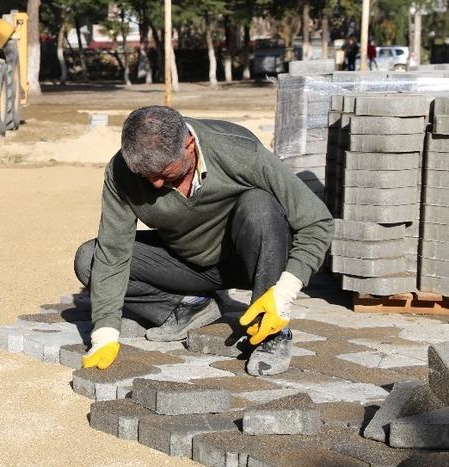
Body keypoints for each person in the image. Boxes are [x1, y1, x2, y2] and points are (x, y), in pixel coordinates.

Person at [74, 106, 332, 376]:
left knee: (259, 206)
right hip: (185, 263)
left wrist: (284, 293)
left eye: (164, 172)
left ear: (189, 145)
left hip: (249, 260)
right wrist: (104, 334)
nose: (156, 184)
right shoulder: (122, 171)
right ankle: (190, 306)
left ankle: (271, 332)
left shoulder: (238, 150)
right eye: (146, 176)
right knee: (89, 260)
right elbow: (113, 252)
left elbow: (317, 222)